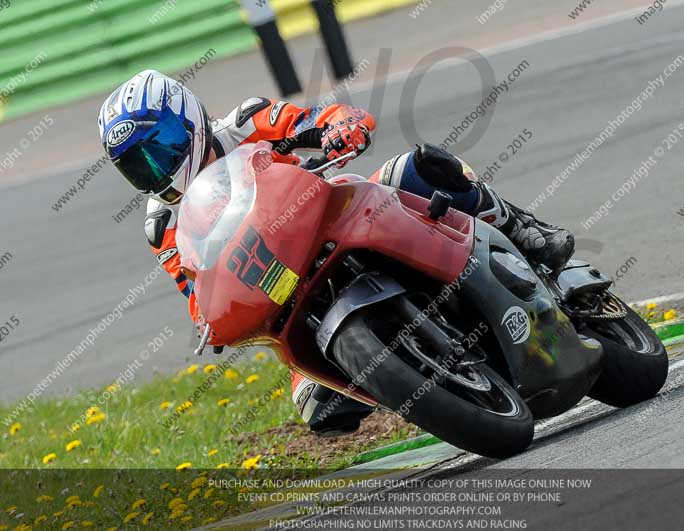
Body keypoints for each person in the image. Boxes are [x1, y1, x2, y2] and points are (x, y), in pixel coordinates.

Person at [99, 70, 574, 436]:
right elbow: (196, 291)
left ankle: (524, 229)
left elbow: (318, 121)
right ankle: (423, 377)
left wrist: (340, 129)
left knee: (416, 169)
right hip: (287, 294)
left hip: (339, 218)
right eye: (137, 165)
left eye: (158, 148)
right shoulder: (161, 225)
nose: (155, 169)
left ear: (186, 120)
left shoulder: (246, 122)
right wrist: (211, 317)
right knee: (318, 405)